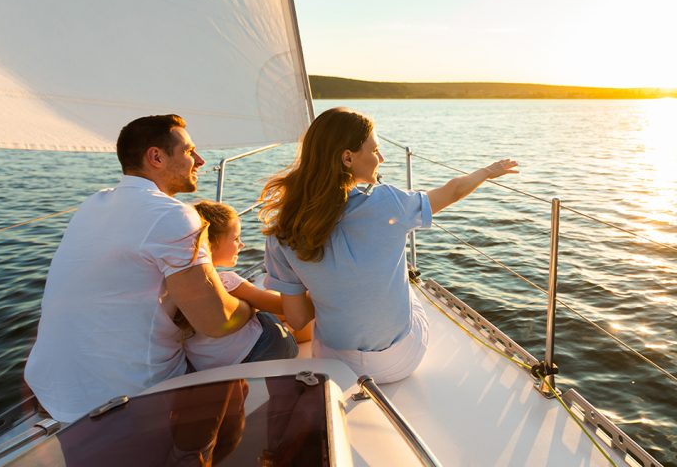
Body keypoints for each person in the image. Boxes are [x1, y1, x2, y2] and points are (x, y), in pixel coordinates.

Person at [25, 115, 295, 422]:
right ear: (156, 157)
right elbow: (215, 321)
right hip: (132, 392)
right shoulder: (172, 215)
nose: (201, 160)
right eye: (189, 151)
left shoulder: (94, 204)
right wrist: (251, 306)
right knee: (271, 333)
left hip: (54, 389)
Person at [260, 107, 518, 383]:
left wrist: (331, 292)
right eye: (374, 150)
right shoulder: (389, 203)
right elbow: (452, 190)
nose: (381, 158)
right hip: (399, 361)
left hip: (334, 364)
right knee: (407, 285)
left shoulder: (281, 232)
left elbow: (297, 320)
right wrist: (488, 171)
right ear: (347, 157)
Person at [177, 201, 307, 370]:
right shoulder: (227, 282)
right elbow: (284, 307)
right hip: (267, 349)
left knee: (262, 306)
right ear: (211, 244)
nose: (241, 244)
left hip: (210, 367)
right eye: (236, 238)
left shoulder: (176, 287)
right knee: (285, 313)